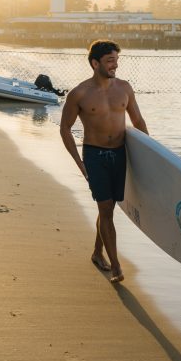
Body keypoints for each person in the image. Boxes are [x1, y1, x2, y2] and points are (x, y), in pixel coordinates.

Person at [60, 40, 148, 283]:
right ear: (95, 63)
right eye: (110, 61)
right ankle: (116, 266)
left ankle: (98, 252)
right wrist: (80, 162)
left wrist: (151, 157)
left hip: (120, 153)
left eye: (117, 61)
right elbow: (65, 129)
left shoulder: (125, 89)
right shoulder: (80, 94)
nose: (115, 66)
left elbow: (138, 122)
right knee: (106, 207)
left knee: (108, 207)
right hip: (94, 155)